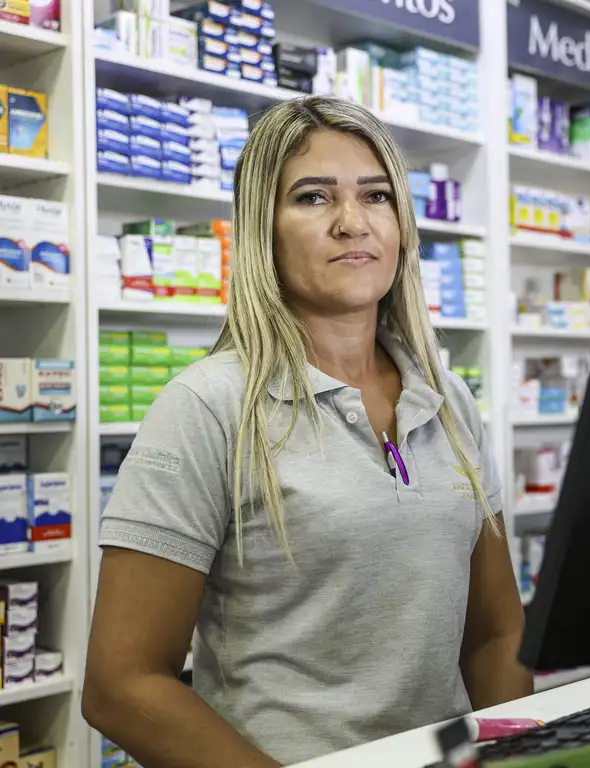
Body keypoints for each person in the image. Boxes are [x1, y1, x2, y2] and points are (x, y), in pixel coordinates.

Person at [82, 96, 533, 767]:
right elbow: (122, 686)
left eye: (376, 196)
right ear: (262, 229)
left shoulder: (447, 401)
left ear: (404, 225)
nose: (353, 223)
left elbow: (496, 633)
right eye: (314, 198)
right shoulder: (209, 405)